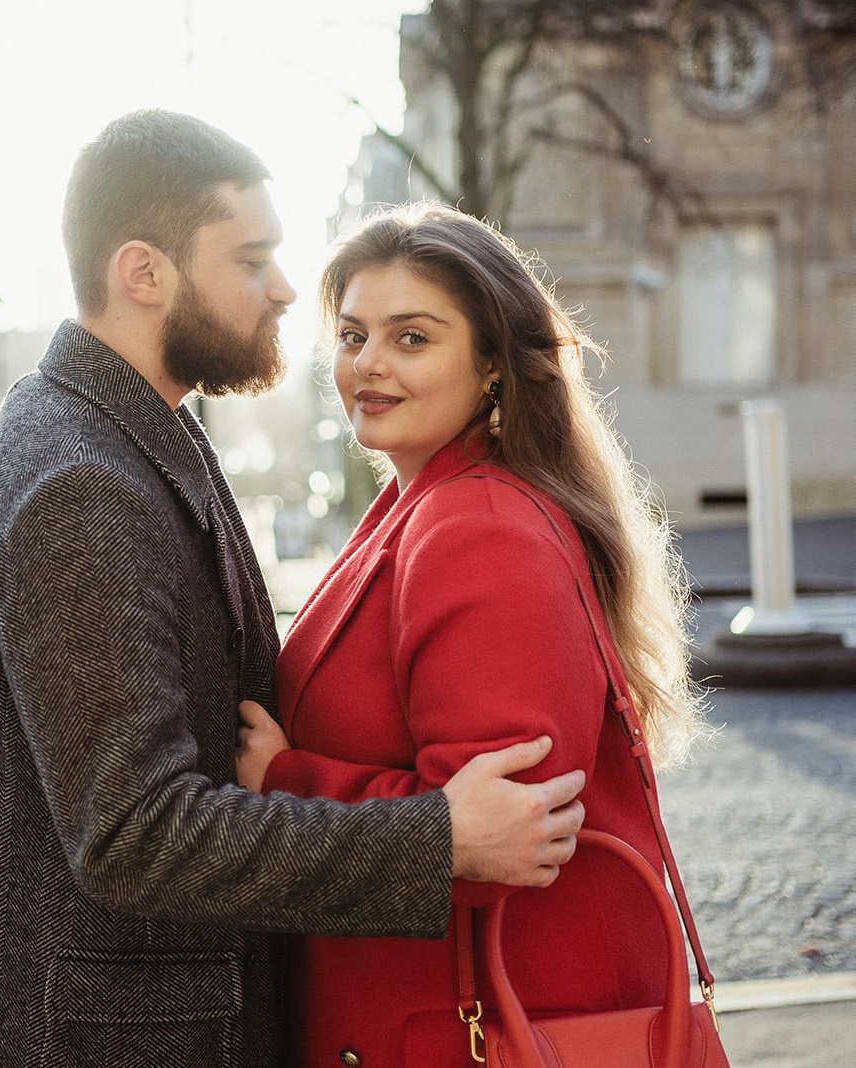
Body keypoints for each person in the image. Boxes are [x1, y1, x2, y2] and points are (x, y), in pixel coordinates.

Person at [0, 113, 589, 1068]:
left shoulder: (136, 435)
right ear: (144, 273)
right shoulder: (79, 484)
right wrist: (435, 841)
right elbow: (135, 833)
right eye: (251, 260)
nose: (283, 290)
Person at [235, 203, 708, 1068]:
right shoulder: (421, 505)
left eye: (411, 338)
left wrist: (282, 779)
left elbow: (507, 827)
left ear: (491, 364)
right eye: (352, 336)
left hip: (485, 1030)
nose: (367, 363)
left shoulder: (478, 527)